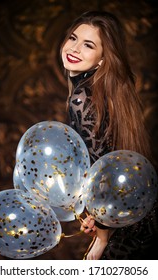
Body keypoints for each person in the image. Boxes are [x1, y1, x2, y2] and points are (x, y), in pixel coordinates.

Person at [60, 10, 158, 260]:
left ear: (103, 59)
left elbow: (108, 168)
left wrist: (103, 235)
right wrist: (97, 217)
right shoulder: (107, 91)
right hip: (139, 213)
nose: (75, 48)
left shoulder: (82, 97)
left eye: (88, 45)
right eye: (73, 38)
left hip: (128, 225)